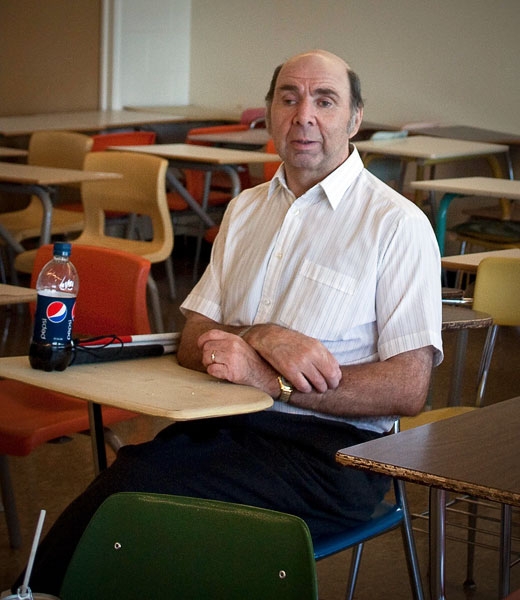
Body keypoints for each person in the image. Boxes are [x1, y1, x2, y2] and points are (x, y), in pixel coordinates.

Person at [14, 49, 443, 595]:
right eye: (288, 98)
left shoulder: (396, 225)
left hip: (333, 459)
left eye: (325, 100)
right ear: (269, 112)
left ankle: (35, 592)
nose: (303, 115)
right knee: (136, 476)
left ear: (355, 119)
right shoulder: (246, 210)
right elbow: (195, 337)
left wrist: (268, 378)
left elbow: (409, 387)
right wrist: (260, 336)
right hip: (227, 423)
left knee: (137, 492)